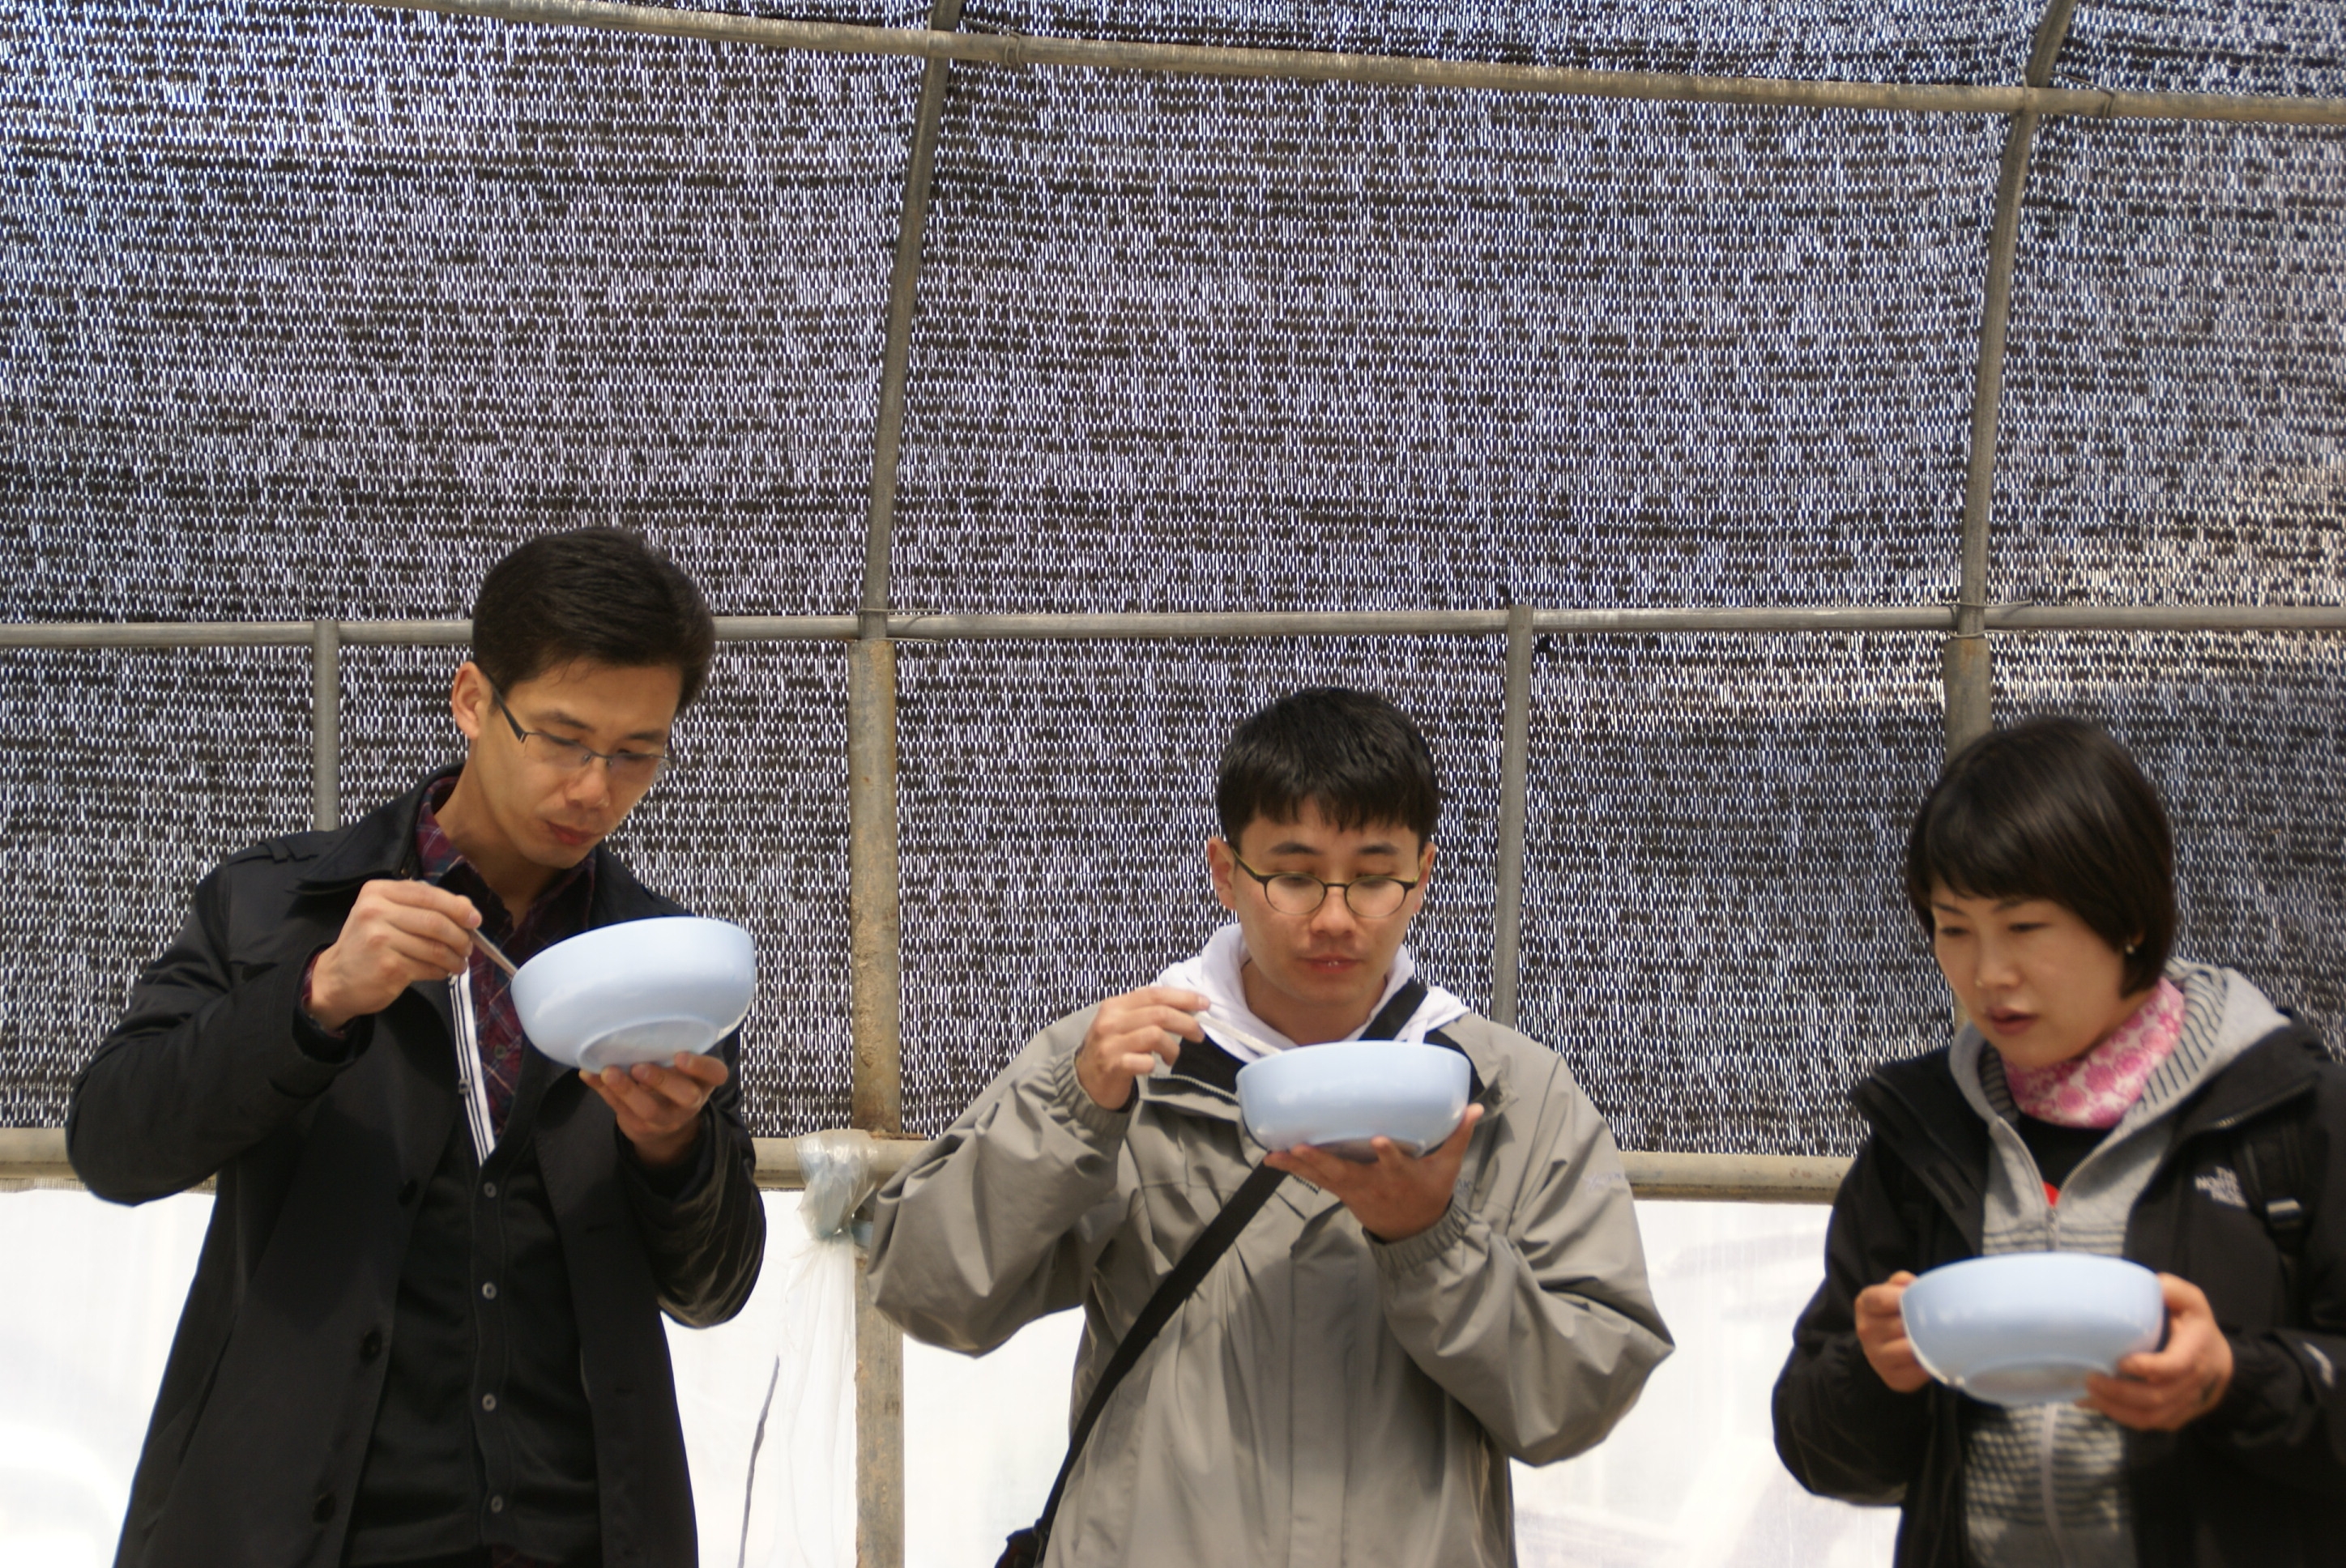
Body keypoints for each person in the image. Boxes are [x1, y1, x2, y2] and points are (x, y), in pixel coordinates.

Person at [68, 528, 766, 1568]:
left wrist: (676, 1155)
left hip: (577, 1530)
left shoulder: (657, 965)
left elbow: (713, 1289)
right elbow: (113, 1146)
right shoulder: (275, 908)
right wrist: (314, 1000)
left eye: (638, 753)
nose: (595, 788)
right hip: (295, 1525)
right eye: (565, 739)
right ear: (475, 700)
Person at [868, 686, 1672, 1566]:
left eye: (1373, 876)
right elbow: (927, 1290)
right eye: (1293, 874)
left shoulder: (1511, 1091)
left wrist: (1430, 1239)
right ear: (1225, 870)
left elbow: (1579, 1398)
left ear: (1424, 875)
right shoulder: (1119, 1060)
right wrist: (1071, 1112)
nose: (1334, 916)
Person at [1772, 717, 2346, 1566]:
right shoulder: (1921, 1135)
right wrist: (1873, 1372)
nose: (1986, 973)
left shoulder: (2291, 1113)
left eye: (2025, 927)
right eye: (1953, 927)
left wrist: (2232, 1378)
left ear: (2129, 921)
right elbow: (1818, 1448)